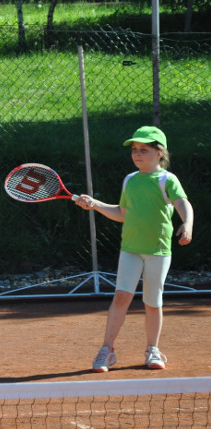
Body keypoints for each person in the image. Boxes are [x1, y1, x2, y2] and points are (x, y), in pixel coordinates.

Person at [74, 126, 194, 372]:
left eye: (144, 150)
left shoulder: (166, 180)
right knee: (121, 297)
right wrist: (95, 204)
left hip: (158, 251)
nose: (137, 154)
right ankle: (107, 350)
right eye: (134, 150)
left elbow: (183, 203)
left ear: (159, 153)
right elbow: (122, 213)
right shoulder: (129, 180)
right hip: (130, 249)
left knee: (152, 302)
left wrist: (187, 224)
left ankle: (153, 350)